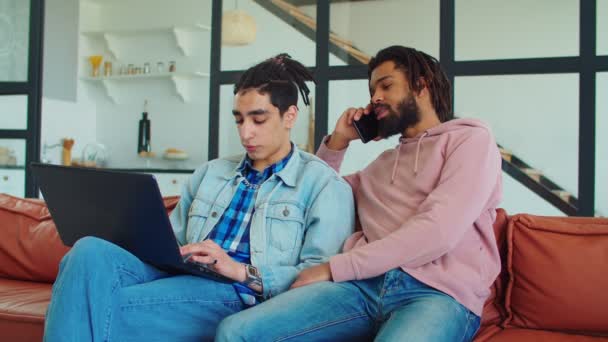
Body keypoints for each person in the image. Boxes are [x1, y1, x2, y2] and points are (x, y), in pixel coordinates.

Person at [43, 53, 355, 342]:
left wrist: (237, 269)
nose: (245, 133)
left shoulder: (324, 185)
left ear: (290, 116)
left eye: (258, 120)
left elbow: (319, 277)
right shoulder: (211, 173)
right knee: (88, 250)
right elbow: (171, 241)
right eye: (239, 120)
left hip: (237, 291)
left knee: (101, 306)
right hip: (181, 273)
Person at [216, 46, 503, 341]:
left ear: (420, 85)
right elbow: (316, 193)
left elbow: (438, 231)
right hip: (360, 288)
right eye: (372, 90)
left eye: (386, 85)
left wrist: (334, 268)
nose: (375, 97)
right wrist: (339, 140)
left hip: (436, 294)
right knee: (236, 331)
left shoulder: (471, 140)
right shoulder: (380, 167)